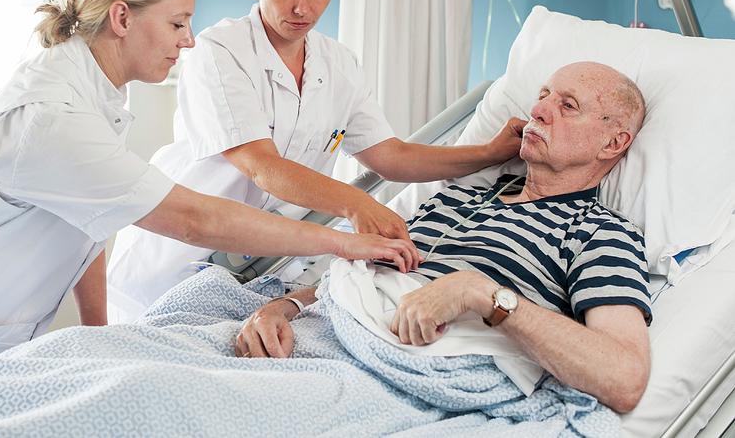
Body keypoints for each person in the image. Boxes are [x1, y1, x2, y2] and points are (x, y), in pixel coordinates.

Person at [0, 0, 419, 372]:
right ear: (122, 16)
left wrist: (98, 335)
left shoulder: (99, 95)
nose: (188, 40)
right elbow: (195, 218)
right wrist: (347, 236)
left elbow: (88, 226)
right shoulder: (50, 118)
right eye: (177, 22)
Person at [106, 0, 524, 321]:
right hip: (173, 265)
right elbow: (260, 166)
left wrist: (489, 153)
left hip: (260, 272)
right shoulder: (219, 52)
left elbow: (392, 157)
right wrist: (355, 204)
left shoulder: (338, 64)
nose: (303, 8)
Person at [236, 61, 653, 414]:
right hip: (320, 336)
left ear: (613, 142)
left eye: (568, 106)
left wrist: (483, 295)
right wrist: (283, 307)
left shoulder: (600, 233)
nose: (539, 109)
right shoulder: (456, 196)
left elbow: (624, 377)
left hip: (394, 378)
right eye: (544, 95)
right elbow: (368, 280)